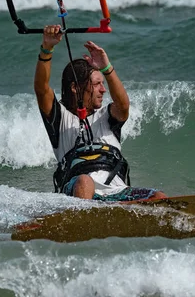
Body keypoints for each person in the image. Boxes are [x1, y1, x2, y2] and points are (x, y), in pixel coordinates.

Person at [34, 25, 167, 202]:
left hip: (117, 192)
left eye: (103, 83)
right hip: (76, 192)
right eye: (97, 84)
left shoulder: (107, 116)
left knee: (158, 197)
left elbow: (123, 105)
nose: (103, 90)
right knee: (85, 181)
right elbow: (41, 89)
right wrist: (46, 49)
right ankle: (84, 222)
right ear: (75, 88)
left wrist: (106, 68)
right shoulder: (60, 119)